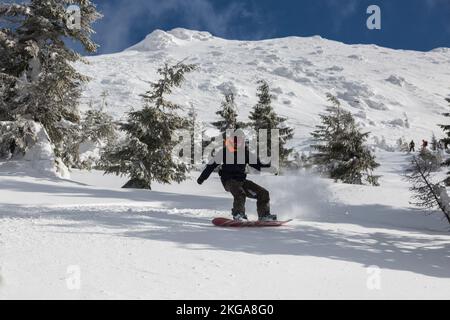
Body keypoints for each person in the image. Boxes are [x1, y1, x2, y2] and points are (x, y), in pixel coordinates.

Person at [197, 130, 277, 222]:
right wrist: (202, 178)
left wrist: (270, 168)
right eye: (235, 141)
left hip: (241, 181)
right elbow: (211, 166)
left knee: (263, 193)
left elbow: (258, 165)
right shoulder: (224, 152)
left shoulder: (245, 153)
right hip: (228, 180)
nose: (237, 143)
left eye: (239, 141)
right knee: (240, 193)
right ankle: (238, 214)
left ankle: (264, 215)